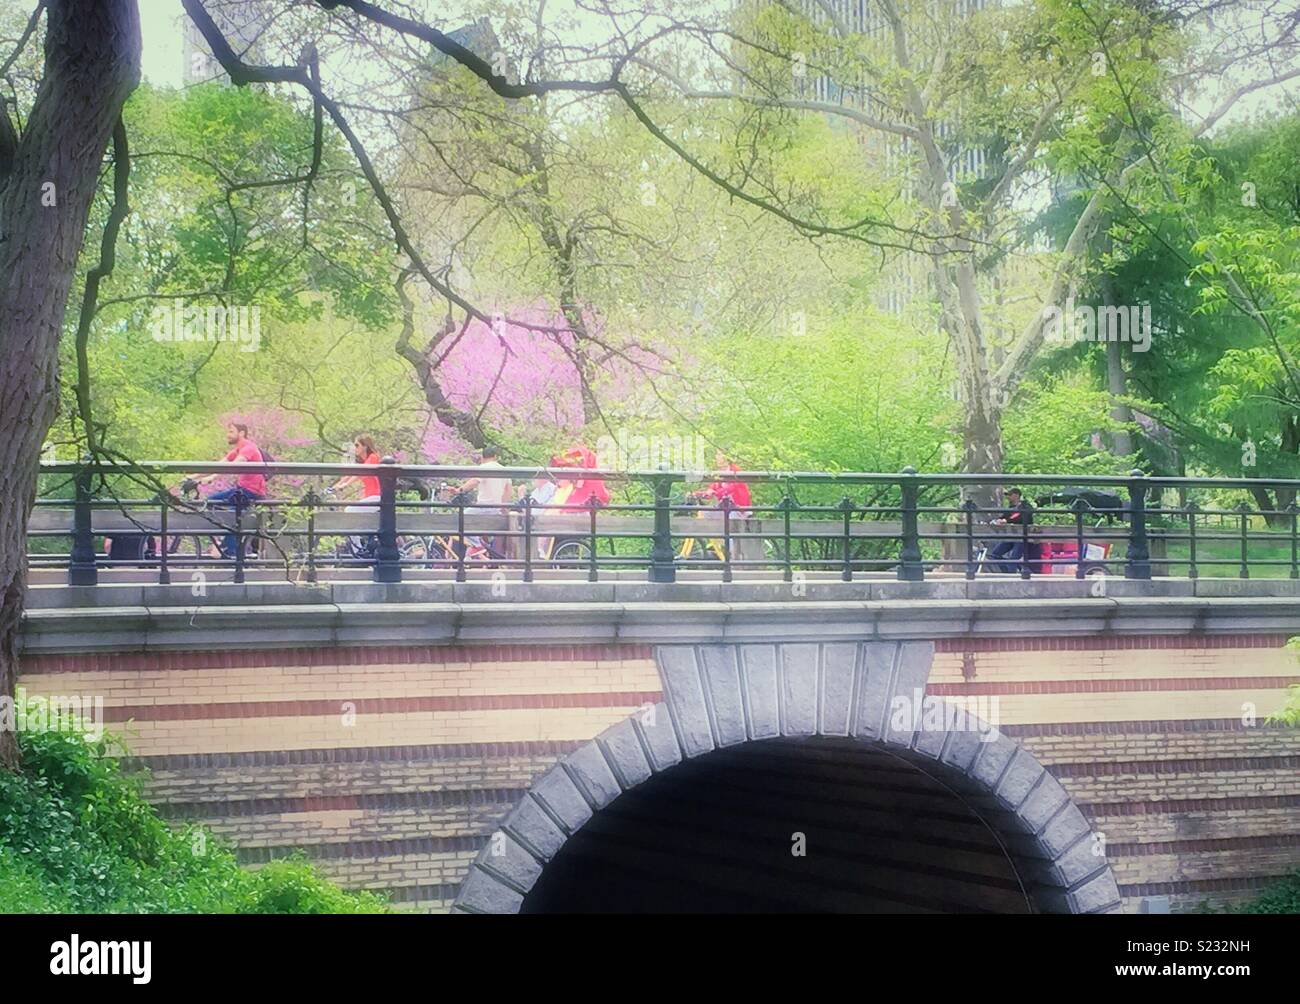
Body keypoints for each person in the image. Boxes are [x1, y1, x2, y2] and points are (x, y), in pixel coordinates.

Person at [193, 422, 267, 559]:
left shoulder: (248, 448)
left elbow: (233, 465)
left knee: (229, 515)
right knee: (211, 502)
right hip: (242, 490)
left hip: (251, 492)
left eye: (231, 432)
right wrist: (192, 476)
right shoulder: (238, 449)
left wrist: (211, 477)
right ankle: (227, 540)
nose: (228, 435)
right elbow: (218, 465)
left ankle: (230, 550)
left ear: (241, 433)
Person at [327, 436, 382, 557]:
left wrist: (345, 485)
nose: (355, 448)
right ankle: (361, 548)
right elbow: (350, 473)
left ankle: (358, 551)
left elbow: (361, 472)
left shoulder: (373, 458)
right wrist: (334, 486)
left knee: (350, 511)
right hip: (371, 498)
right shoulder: (364, 461)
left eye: (357, 445)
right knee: (355, 519)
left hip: (378, 497)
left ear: (365, 446)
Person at [989, 487, 1033, 574]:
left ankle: (1012, 574)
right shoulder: (1010, 508)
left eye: (1010, 495)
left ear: (1016, 495)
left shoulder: (1025, 506)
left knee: (1013, 559)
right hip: (1011, 536)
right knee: (995, 555)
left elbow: (1020, 516)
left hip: (1021, 537)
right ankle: (1009, 571)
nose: (1008, 497)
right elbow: (1004, 517)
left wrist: (1006, 520)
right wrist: (996, 521)